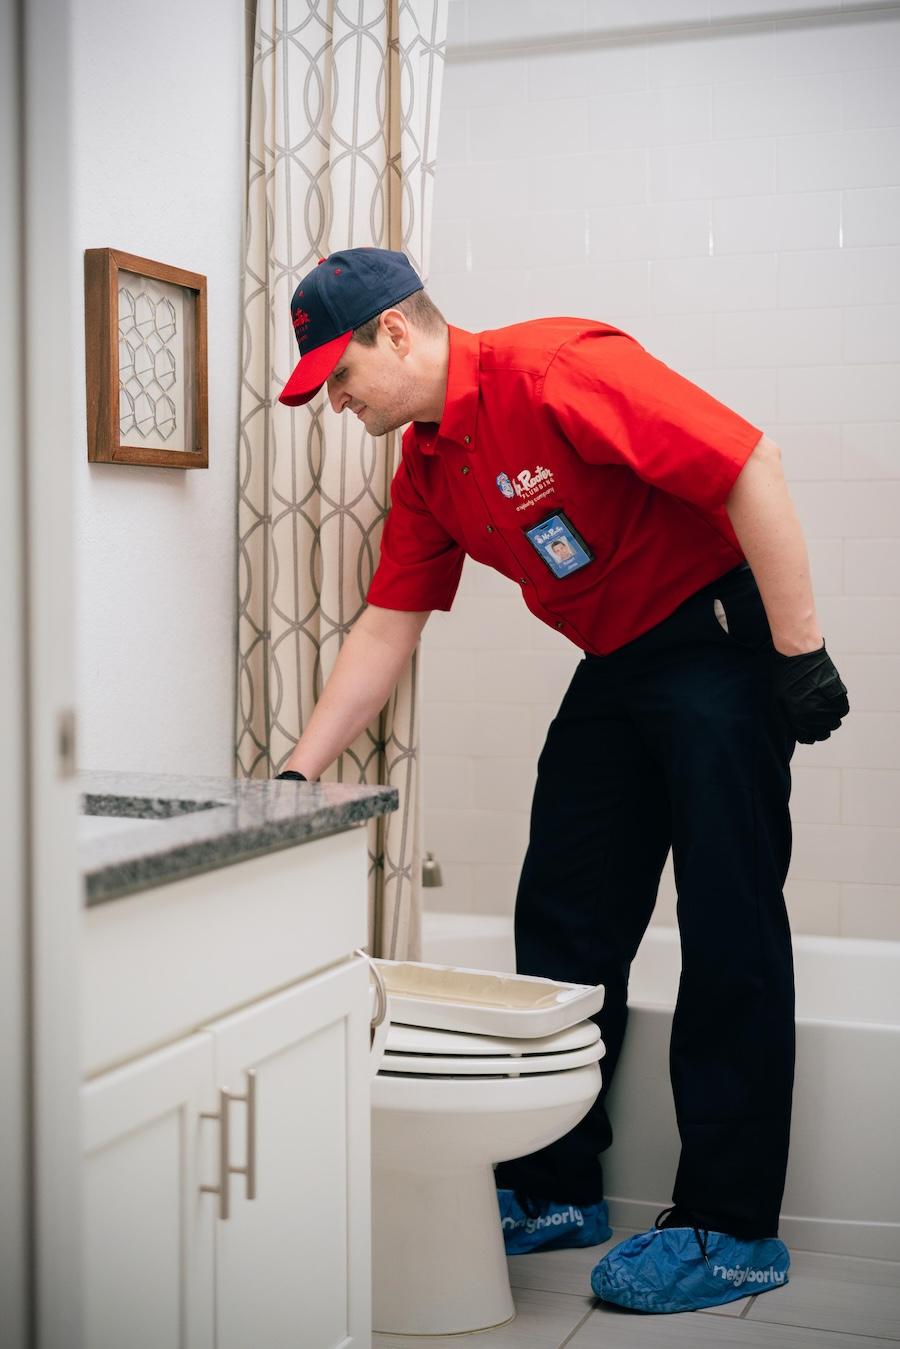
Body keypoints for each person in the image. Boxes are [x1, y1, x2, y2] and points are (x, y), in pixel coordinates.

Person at [275, 246, 849, 1314]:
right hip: (619, 664)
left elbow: (747, 462)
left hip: (715, 642)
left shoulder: (555, 369)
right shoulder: (432, 469)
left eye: (340, 377)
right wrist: (297, 773)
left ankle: (731, 1226)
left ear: (394, 331)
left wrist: (797, 650)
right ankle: (555, 1184)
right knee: (566, 914)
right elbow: (388, 624)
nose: (338, 402)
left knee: (728, 924)